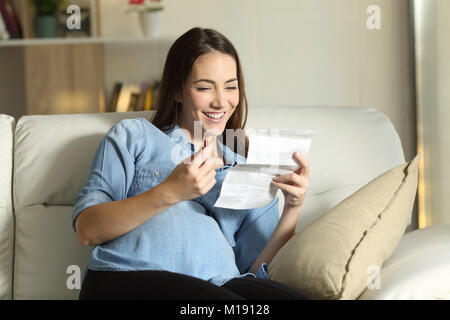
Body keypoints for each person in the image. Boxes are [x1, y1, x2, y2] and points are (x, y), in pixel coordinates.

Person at [73, 27, 310, 300]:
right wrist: (170, 191)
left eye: (231, 86)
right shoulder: (134, 136)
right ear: (176, 90)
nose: (221, 101)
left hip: (219, 285)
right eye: (204, 87)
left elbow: (256, 269)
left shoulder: (248, 166)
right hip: (128, 277)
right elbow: (88, 230)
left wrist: (293, 207)